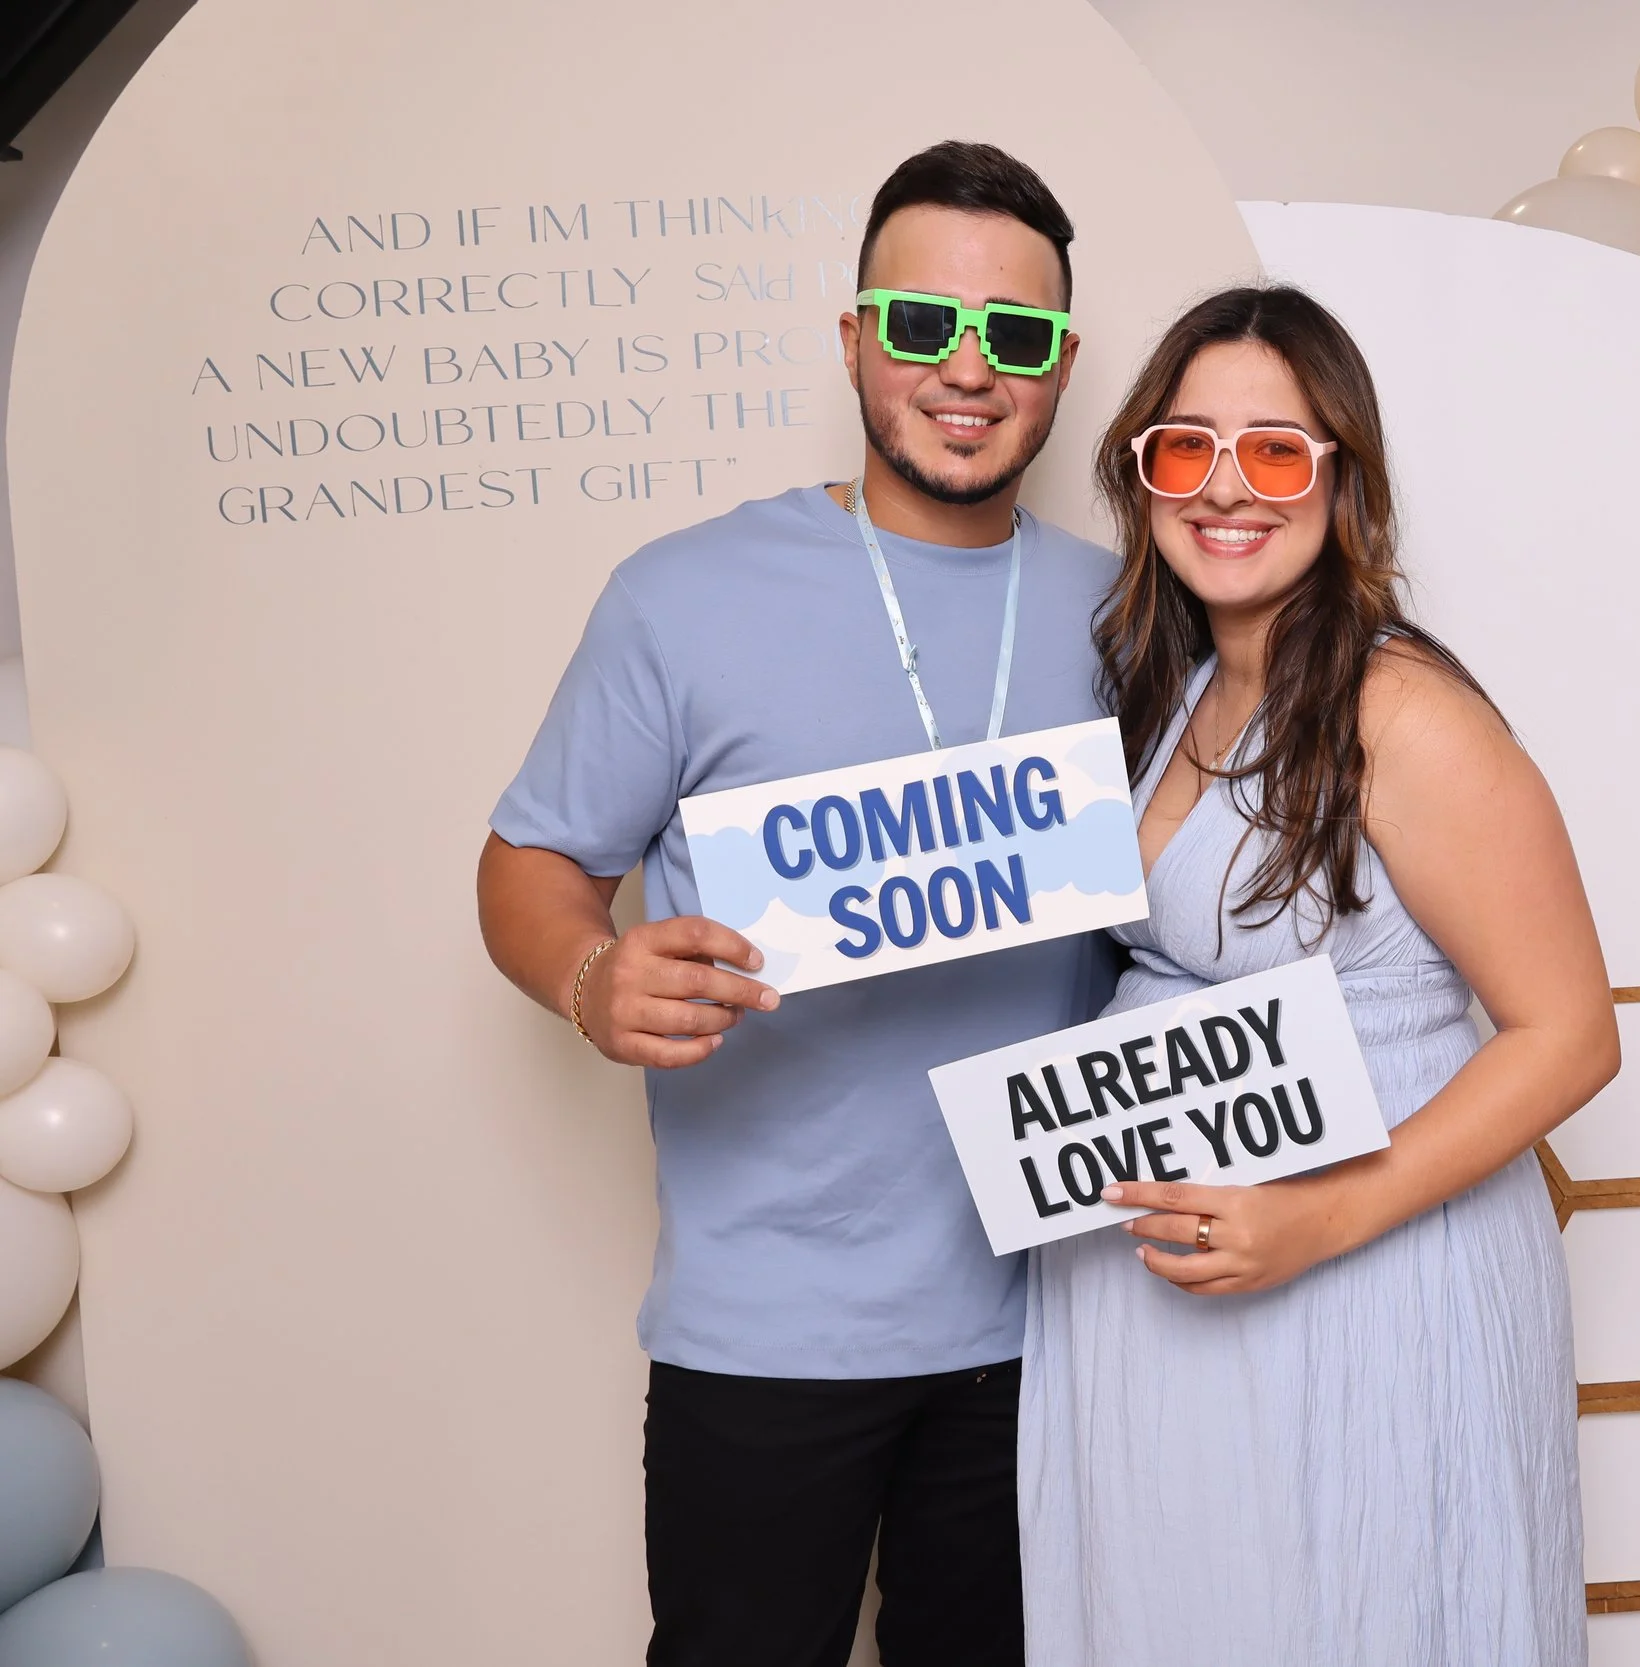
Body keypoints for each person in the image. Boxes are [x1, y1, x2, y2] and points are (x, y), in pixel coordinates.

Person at [476, 141, 1112, 1667]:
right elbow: (530, 864)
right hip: (767, 1332)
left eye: (1013, 337)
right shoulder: (682, 595)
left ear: (1061, 366)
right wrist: (589, 978)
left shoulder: (1130, 608)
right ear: (854, 341)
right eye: (918, 325)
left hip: (1059, 1332)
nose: (965, 370)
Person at [1019, 284, 1618, 1664]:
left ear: (1343, 479)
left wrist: (1319, 1223)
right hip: (1169, 1292)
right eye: (1188, 448)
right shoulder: (1168, 686)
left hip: (1356, 1279)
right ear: (1142, 471)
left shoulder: (1404, 711)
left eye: (1277, 451)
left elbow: (1570, 1034)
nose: (1227, 488)